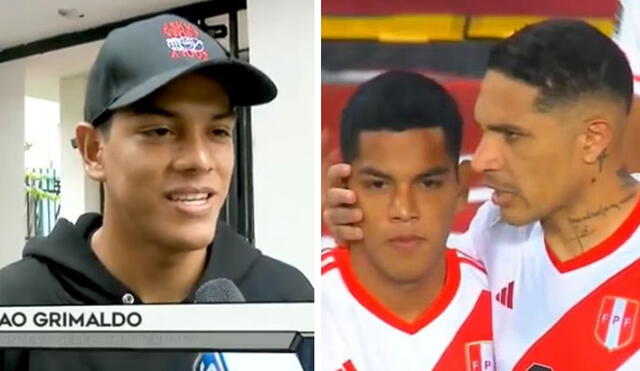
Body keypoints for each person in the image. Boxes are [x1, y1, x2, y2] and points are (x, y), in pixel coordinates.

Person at [0, 14, 313, 370]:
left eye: (218, 132)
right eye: (161, 131)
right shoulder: (16, 309)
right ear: (92, 151)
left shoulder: (286, 300)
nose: (199, 160)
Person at [324, 19, 640, 370]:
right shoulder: (494, 231)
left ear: (592, 140)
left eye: (512, 135)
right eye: (485, 130)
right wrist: (362, 232)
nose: (483, 159)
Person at [322, 70, 493, 371]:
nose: (403, 210)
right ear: (345, 188)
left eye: (428, 184)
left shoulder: (503, 303)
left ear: (461, 188)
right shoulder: (308, 305)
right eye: (379, 184)